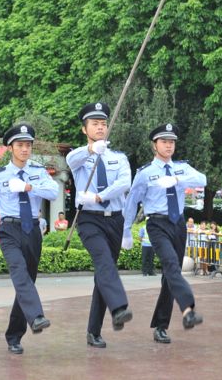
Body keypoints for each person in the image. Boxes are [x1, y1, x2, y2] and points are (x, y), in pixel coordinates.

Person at [0, 122, 59, 354]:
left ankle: (13, 336)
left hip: (33, 230)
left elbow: (54, 192)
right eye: (20, 145)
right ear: (11, 148)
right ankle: (37, 316)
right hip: (9, 230)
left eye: (28, 145)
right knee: (19, 272)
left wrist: (29, 187)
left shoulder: (38, 172)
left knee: (27, 281)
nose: (25, 149)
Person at [123, 123, 206, 345]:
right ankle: (188, 310)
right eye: (164, 141)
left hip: (178, 224)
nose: (169, 145)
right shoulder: (145, 174)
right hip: (157, 224)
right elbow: (132, 202)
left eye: (172, 142)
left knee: (171, 274)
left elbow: (203, 180)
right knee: (170, 265)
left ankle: (161, 326)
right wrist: (126, 232)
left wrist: (178, 180)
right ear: (154, 145)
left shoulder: (182, 168)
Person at [68, 102, 133, 349]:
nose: (100, 128)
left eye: (103, 124)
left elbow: (124, 183)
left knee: (103, 275)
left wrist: (99, 196)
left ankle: (93, 331)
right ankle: (119, 307)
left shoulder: (119, 158)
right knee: (104, 263)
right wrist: (91, 150)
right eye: (95, 124)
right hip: (89, 221)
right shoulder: (79, 156)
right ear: (85, 129)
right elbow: (71, 159)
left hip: (115, 219)